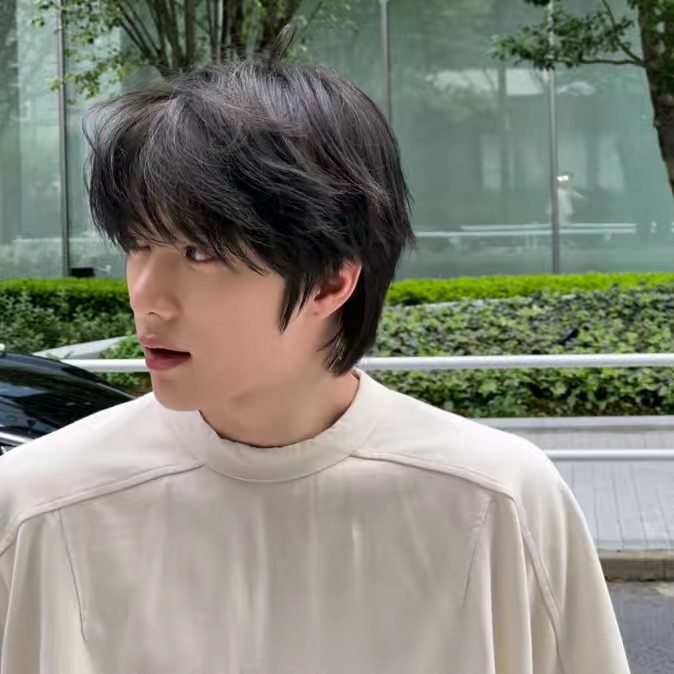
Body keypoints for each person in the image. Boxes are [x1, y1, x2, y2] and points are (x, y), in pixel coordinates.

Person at [0, 32, 630, 674]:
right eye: (138, 245)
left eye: (199, 252)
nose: (146, 297)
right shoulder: (37, 507)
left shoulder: (499, 502)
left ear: (330, 282)